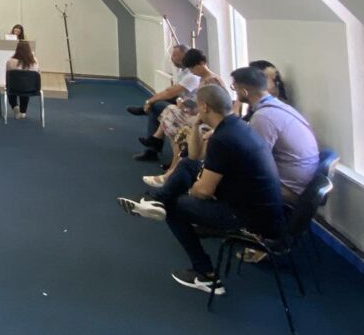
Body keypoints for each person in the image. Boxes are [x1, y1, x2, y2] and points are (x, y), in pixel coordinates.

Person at [117, 83, 285, 295]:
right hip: (260, 206)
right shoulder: (235, 126)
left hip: (250, 217)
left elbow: (204, 191)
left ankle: (205, 274)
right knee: (188, 165)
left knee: (174, 208)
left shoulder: (223, 139)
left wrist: (194, 188)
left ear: (204, 106)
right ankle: (154, 199)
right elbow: (194, 156)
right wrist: (196, 124)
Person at [235, 66, 319, 202]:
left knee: (226, 181)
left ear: (244, 91)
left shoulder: (263, 116)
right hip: (302, 180)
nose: (235, 94)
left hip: (289, 188)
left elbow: (255, 161)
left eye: (235, 88)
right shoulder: (279, 106)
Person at [138, 48, 221, 161]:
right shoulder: (203, 79)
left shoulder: (212, 81)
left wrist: (192, 111)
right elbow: (201, 105)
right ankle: (164, 148)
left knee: (169, 114)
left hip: (206, 121)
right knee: (169, 112)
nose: (192, 72)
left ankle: (163, 147)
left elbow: (212, 108)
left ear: (202, 63)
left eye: (193, 68)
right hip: (199, 115)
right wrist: (189, 108)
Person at [128, 44, 199, 162]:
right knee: (156, 105)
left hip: (190, 110)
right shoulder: (183, 72)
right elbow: (171, 92)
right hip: (182, 103)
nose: (172, 58)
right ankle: (152, 147)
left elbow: (170, 92)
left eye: (175, 55)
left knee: (156, 106)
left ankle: (153, 146)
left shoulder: (192, 76)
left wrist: (150, 101)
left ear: (184, 56)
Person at [5, 39, 39, 119]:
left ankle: (15, 107)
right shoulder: (35, 61)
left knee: (11, 87)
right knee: (26, 85)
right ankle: (23, 111)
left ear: (17, 49)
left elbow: (8, 77)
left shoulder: (10, 61)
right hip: (30, 88)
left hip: (13, 88)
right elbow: (38, 74)